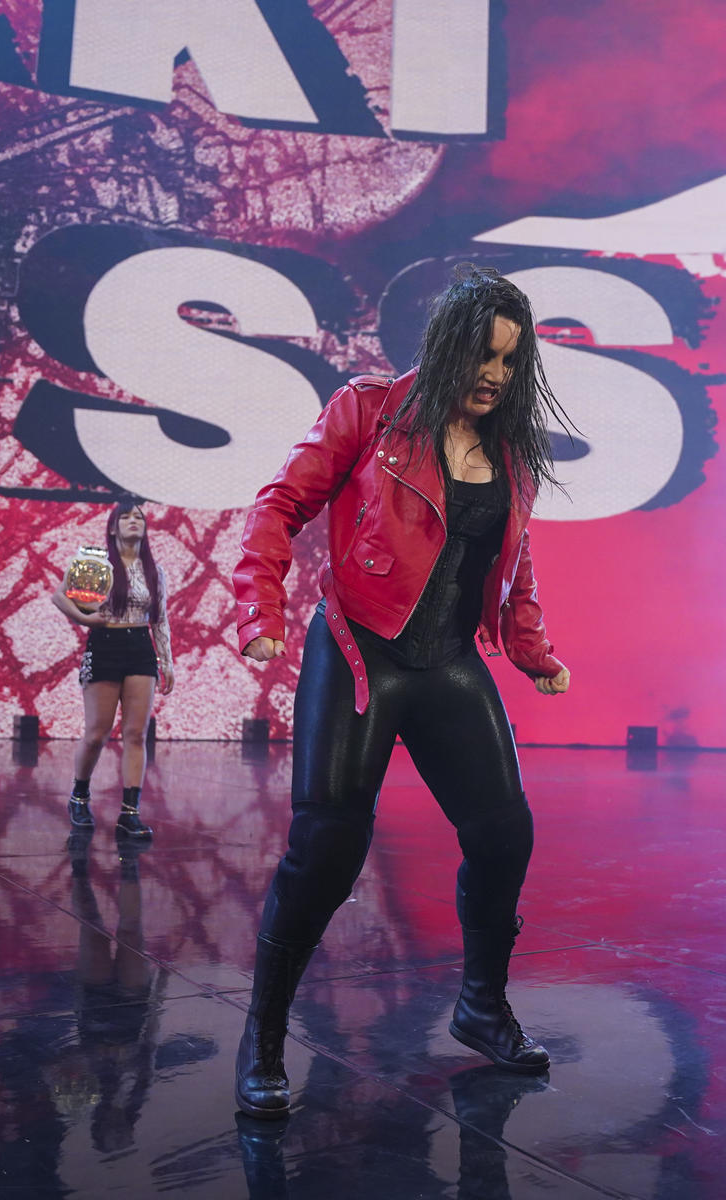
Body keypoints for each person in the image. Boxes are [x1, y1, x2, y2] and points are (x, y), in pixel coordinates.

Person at [232, 263, 573, 1119]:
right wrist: (260, 610)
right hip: (360, 649)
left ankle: (481, 1008)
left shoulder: (509, 448)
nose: (496, 374)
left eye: (511, 360)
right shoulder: (371, 410)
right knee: (328, 850)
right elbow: (278, 508)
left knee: (504, 834)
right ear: (453, 346)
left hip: (449, 662)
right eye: (485, 355)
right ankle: (264, 1037)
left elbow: (510, 565)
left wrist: (532, 653)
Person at [52, 502, 174, 839]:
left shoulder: (155, 570)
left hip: (140, 647)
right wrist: (84, 618)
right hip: (105, 644)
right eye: (126, 517)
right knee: (97, 733)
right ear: (112, 527)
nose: (134, 521)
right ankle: (79, 796)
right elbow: (60, 596)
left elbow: (160, 619)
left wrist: (167, 662)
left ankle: (129, 813)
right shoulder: (95, 562)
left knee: (135, 734)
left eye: (139, 517)